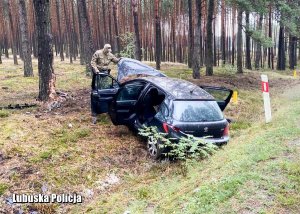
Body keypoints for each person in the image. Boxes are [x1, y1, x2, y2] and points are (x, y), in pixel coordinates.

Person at [90, 44, 121, 124]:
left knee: (106, 89)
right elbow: (92, 62)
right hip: (98, 73)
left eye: (109, 50)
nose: (108, 51)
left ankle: (105, 107)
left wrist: (121, 59)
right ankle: (95, 112)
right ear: (104, 48)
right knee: (96, 90)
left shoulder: (110, 55)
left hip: (105, 73)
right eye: (107, 49)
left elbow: (116, 60)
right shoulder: (98, 53)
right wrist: (96, 69)